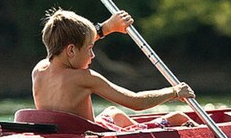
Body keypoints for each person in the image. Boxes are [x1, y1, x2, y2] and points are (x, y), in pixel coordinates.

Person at [31, 8, 197, 131]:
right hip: (89, 137)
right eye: (89, 48)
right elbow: (136, 102)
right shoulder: (85, 78)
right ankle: (145, 132)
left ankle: (139, 130)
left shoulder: (39, 70)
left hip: (59, 135)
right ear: (71, 51)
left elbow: (70, 44)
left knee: (113, 113)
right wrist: (174, 92)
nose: (93, 55)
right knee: (179, 117)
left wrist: (106, 28)